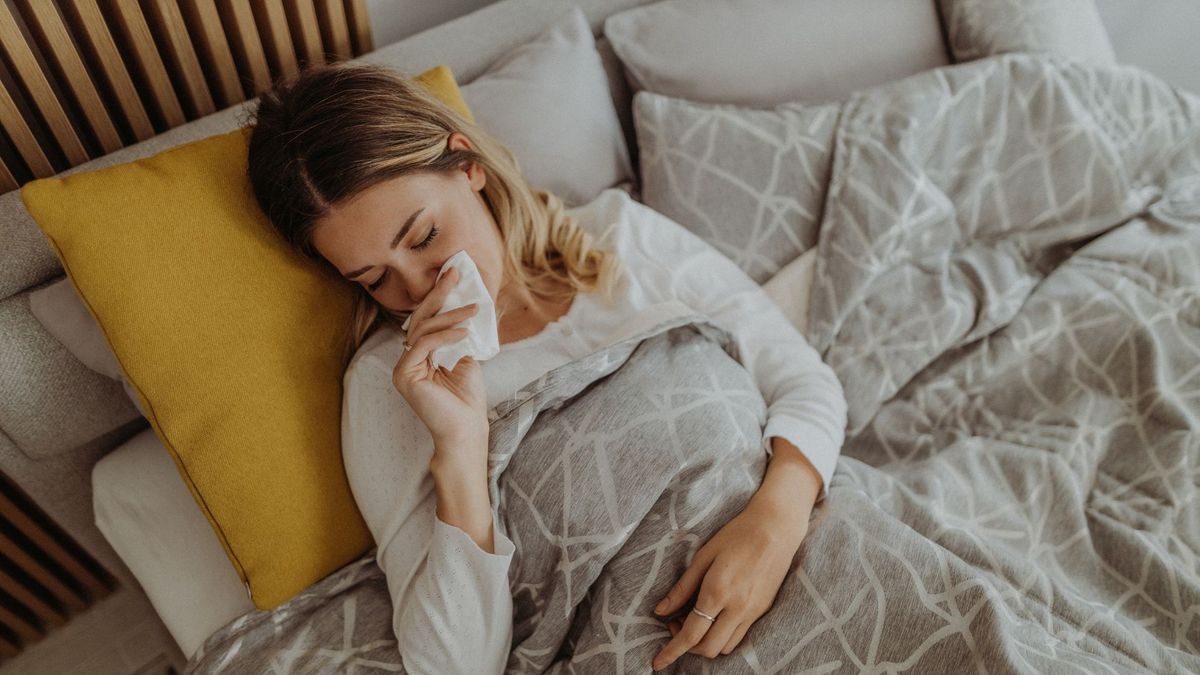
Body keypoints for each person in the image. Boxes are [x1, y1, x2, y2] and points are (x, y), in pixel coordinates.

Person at [245, 62, 847, 674]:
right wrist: (460, 446)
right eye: (374, 279)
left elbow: (801, 375)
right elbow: (456, 664)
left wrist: (778, 518)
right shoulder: (389, 383)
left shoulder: (620, 237)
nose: (418, 288)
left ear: (467, 164)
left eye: (424, 237)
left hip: (817, 546)